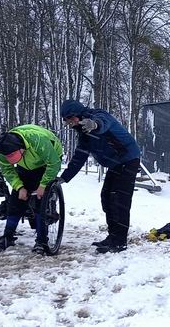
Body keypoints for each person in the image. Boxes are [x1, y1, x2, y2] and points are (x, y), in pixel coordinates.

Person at [59, 99, 140, 253]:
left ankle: (119, 241)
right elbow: (79, 157)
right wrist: (64, 177)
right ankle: (113, 236)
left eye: (71, 118)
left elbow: (102, 124)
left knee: (119, 200)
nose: (71, 123)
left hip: (128, 159)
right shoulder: (84, 135)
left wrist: (93, 124)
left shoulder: (98, 115)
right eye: (67, 121)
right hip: (115, 163)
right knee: (106, 198)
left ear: (78, 114)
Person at [0, 124, 63, 256]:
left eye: (11, 155)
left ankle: (42, 240)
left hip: (47, 161)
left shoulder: (37, 140)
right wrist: (19, 187)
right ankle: (7, 237)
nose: (9, 158)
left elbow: (54, 164)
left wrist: (43, 185)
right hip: (25, 164)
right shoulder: (4, 150)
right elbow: (7, 169)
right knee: (15, 201)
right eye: (7, 156)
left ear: (21, 148)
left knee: (40, 202)